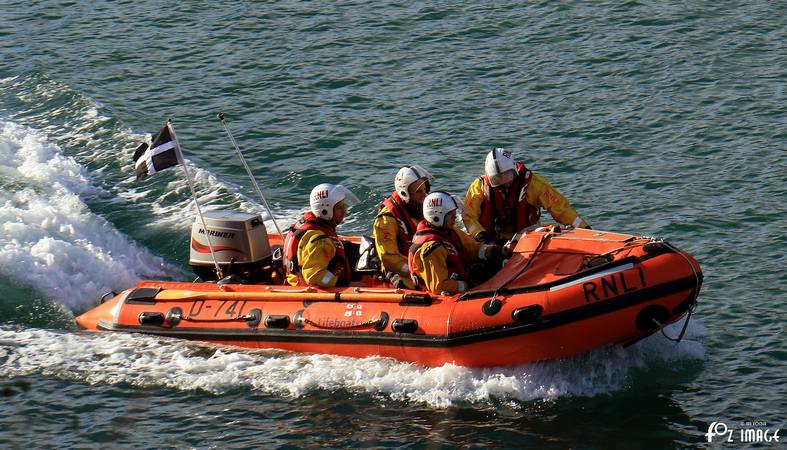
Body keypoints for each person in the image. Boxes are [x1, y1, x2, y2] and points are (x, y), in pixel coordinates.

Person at [463, 147, 590, 245]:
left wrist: (586, 229)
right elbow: (469, 217)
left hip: (526, 239)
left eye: (507, 175)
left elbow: (561, 208)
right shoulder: (478, 188)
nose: (504, 182)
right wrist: (482, 237)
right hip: (489, 242)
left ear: (515, 170)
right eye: (497, 179)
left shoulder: (533, 185)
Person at [408, 191, 500, 295]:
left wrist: (494, 250)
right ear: (437, 216)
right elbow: (438, 286)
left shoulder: (451, 231)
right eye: (451, 214)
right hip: (445, 295)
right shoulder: (432, 248)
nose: (455, 217)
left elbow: (472, 248)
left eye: (454, 213)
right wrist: (467, 285)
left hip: (460, 275)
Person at [283, 183, 359, 288]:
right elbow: (315, 277)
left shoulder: (307, 225)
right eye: (339, 207)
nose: (344, 211)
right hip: (312, 284)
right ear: (325, 211)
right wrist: (346, 285)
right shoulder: (319, 242)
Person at [372, 165, 433, 289]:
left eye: (425, 190)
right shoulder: (386, 220)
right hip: (401, 267)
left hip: (424, 259)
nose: (424, 195)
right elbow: (389, 257)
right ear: (405, 193)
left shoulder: (422, 207)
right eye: (418, 192)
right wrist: (417, 271)